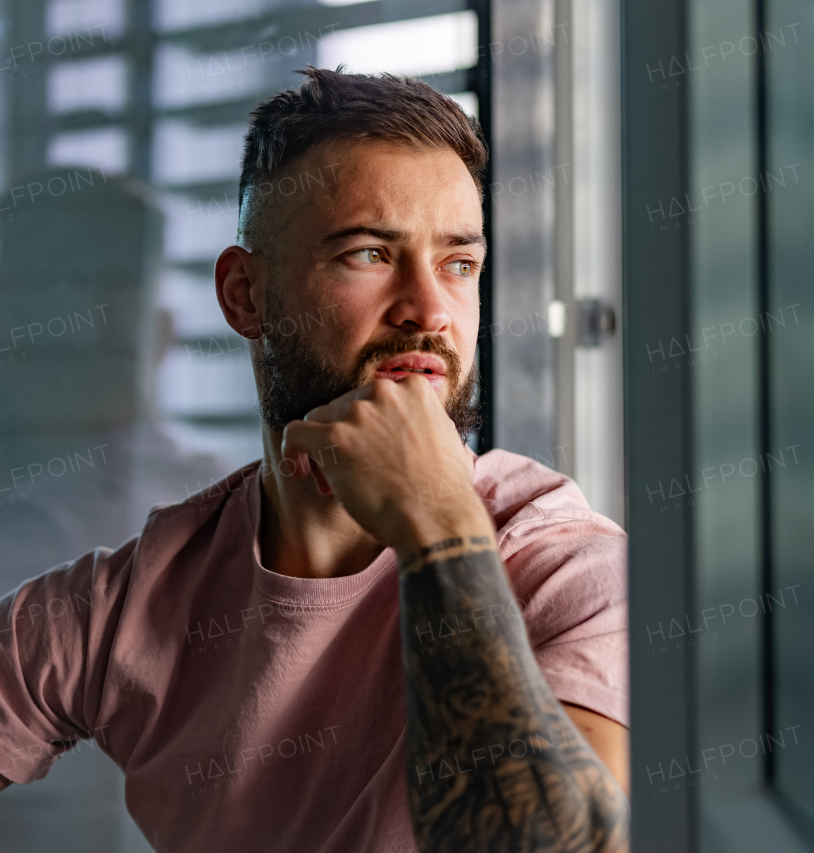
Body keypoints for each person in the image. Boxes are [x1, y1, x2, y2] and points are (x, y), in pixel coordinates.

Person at [0, 68, 630, 853]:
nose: (429, 310)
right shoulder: (127, 605)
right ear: (245, 296)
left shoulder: (568, 567)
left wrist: (438, 522)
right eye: (370, 254)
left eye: (458, 264)